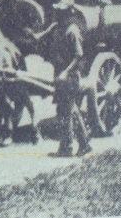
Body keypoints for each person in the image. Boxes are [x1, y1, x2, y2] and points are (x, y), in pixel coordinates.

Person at [44, 12, 91, 157]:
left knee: (68, 110)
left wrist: (66, 71)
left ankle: (75, 146)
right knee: (66, 110)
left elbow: (78, 55)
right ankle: (75, 145)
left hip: (70, 76)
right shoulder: (58, 29)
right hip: (60, 74)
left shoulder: (72, 31)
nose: (55, 16)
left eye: (59, 13)